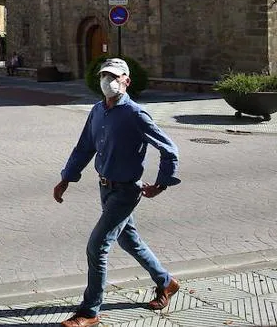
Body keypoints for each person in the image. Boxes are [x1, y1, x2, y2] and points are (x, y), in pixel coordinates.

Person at [54, 58, 181, 327]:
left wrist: (162, 183)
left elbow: (169, 149)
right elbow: (84, 147)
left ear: (127, 81)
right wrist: (66, 178)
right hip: (104, 187)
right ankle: (166, 283)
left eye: (114, 76)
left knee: (97, 246)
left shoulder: (135, 114)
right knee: (129, 241)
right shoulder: (97, 111)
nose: (107, 81)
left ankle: (90, 312)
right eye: (104, 76)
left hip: (126, 191)